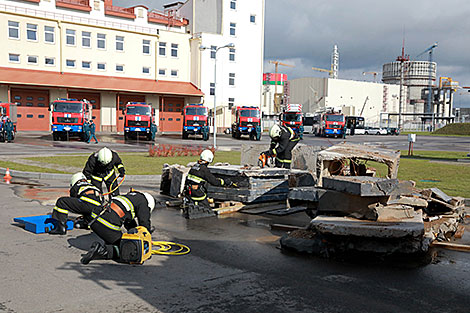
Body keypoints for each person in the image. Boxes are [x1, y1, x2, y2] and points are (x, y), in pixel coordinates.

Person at [80, 190, 155, 264]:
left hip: (93, 220)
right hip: (107, 222)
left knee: (119, 239)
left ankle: (106, 246)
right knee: (128, 250)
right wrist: (146, 241)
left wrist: (134, 234)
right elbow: (144, 223)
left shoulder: (129, 198)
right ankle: (101, 250)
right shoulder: (143, 201)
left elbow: (129, 223)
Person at [183, 149, 234, 218]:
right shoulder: (204, 170)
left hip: (190, 193)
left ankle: (193, 208)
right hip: (199, 195)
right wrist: (225, 182)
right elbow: (214, 182)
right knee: (208, 212)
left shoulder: (194, 167)